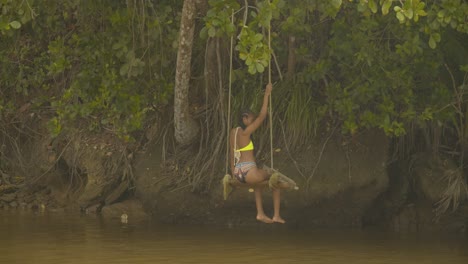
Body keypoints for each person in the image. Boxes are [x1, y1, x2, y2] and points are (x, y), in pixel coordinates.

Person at [229, 83, 285, 224]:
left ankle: (260, 213)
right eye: (250, 120)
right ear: (245, 118)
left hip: (237, 172)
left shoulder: (233, 132)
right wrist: (266, 94)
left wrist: (232, 172)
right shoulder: (245, 132)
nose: (252, 122)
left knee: (258, 184)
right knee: (275, 177)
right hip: (249, 171)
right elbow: (262, 116)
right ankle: (276, 215)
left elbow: (231, 153)